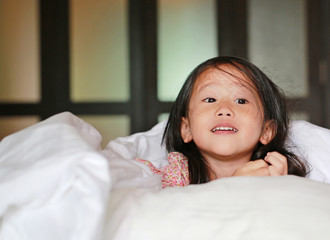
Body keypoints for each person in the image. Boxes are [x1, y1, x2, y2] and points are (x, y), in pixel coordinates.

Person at [136, 56, 307, 188]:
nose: (224, 109)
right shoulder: (173, 177)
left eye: (241, 101)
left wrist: (282, 190)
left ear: (267, 131)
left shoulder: (278, 177)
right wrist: (232, 188)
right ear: (186, 129)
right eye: (210, 99)